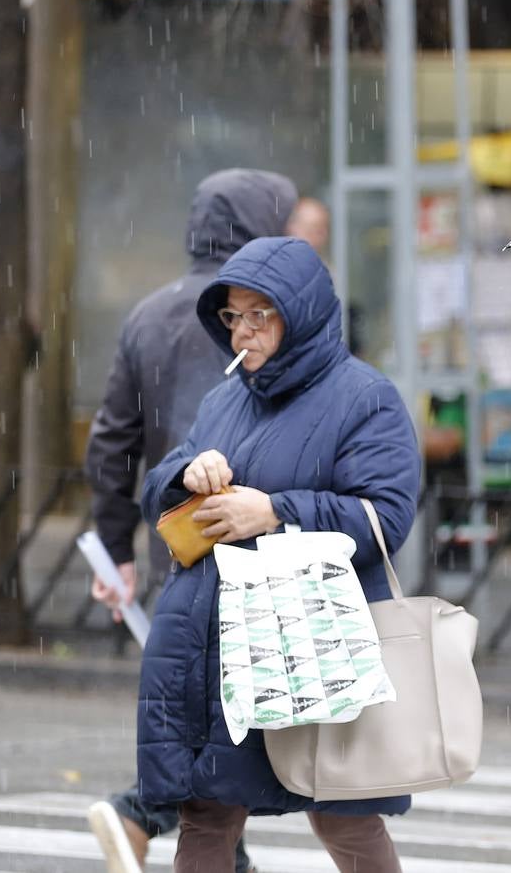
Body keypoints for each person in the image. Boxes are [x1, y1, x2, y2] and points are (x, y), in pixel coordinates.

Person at [137, 236, 420, 872]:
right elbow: (159, 488)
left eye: (260, 315)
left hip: (314, 639)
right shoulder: (225, 397)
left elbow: (386, 519)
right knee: (207, 810)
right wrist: (187, 471)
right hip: (215, 644)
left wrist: (275, 511)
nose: (242, 333)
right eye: (233, 316)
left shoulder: (365, 397)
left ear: (303, 314)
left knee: (343, 809)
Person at [84, 167, 298, 873]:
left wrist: (115, 547)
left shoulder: (149, 316)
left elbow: (111, 442)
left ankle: (172, 833)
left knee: (212, 718)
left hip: (174, 545)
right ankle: (138, 814)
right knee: (234, 729)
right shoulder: (261, 315)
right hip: (250, 542)